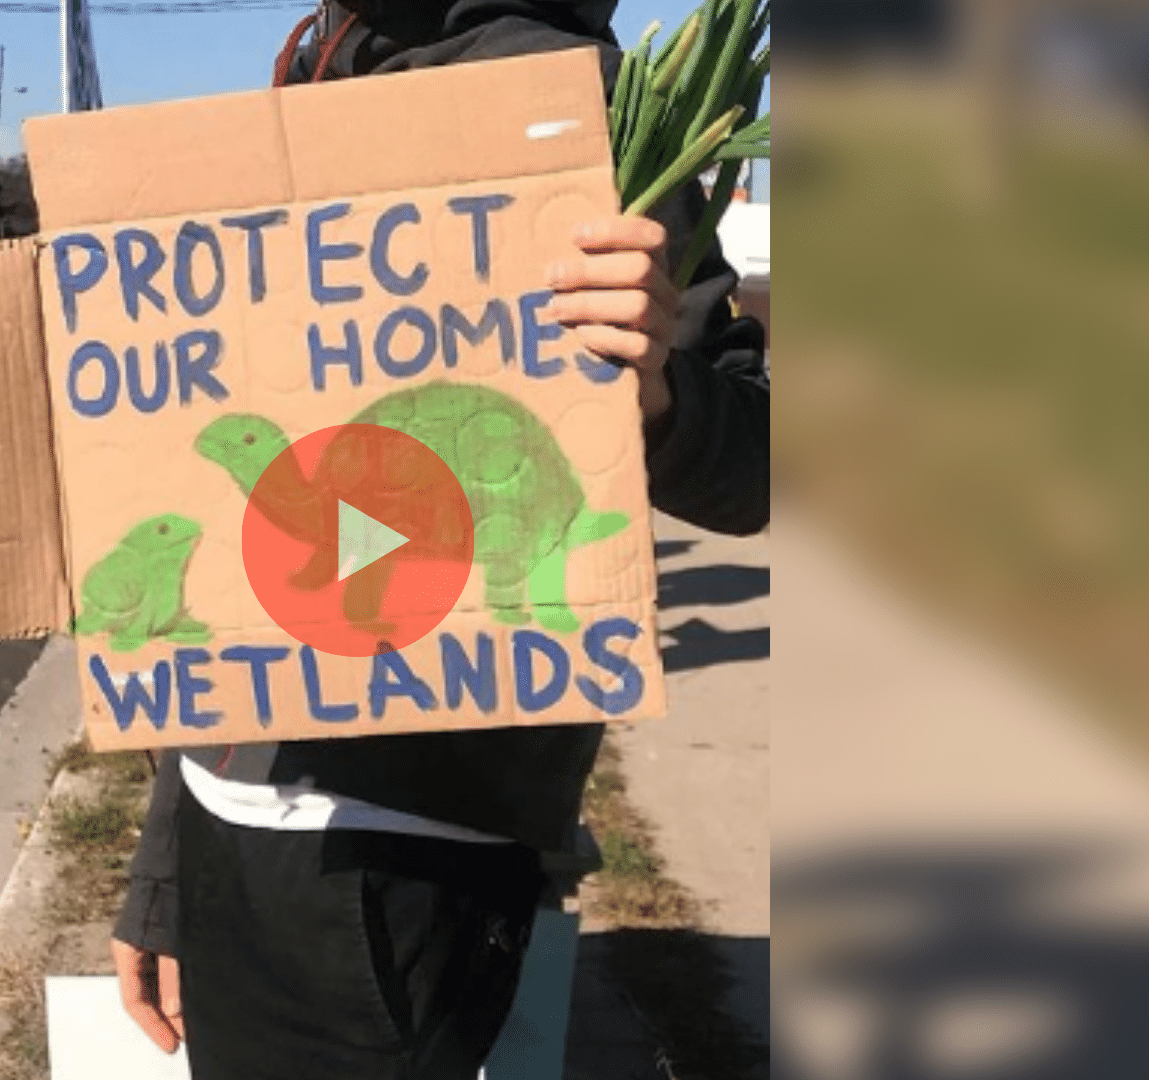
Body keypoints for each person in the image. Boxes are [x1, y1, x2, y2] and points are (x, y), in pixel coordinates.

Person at [110, 2, 770, 1076]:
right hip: (228, 812)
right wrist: (167, 866)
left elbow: (758, 459)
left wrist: (652, 381)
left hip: (401, 853)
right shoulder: (320, 69)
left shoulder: (573, 100)